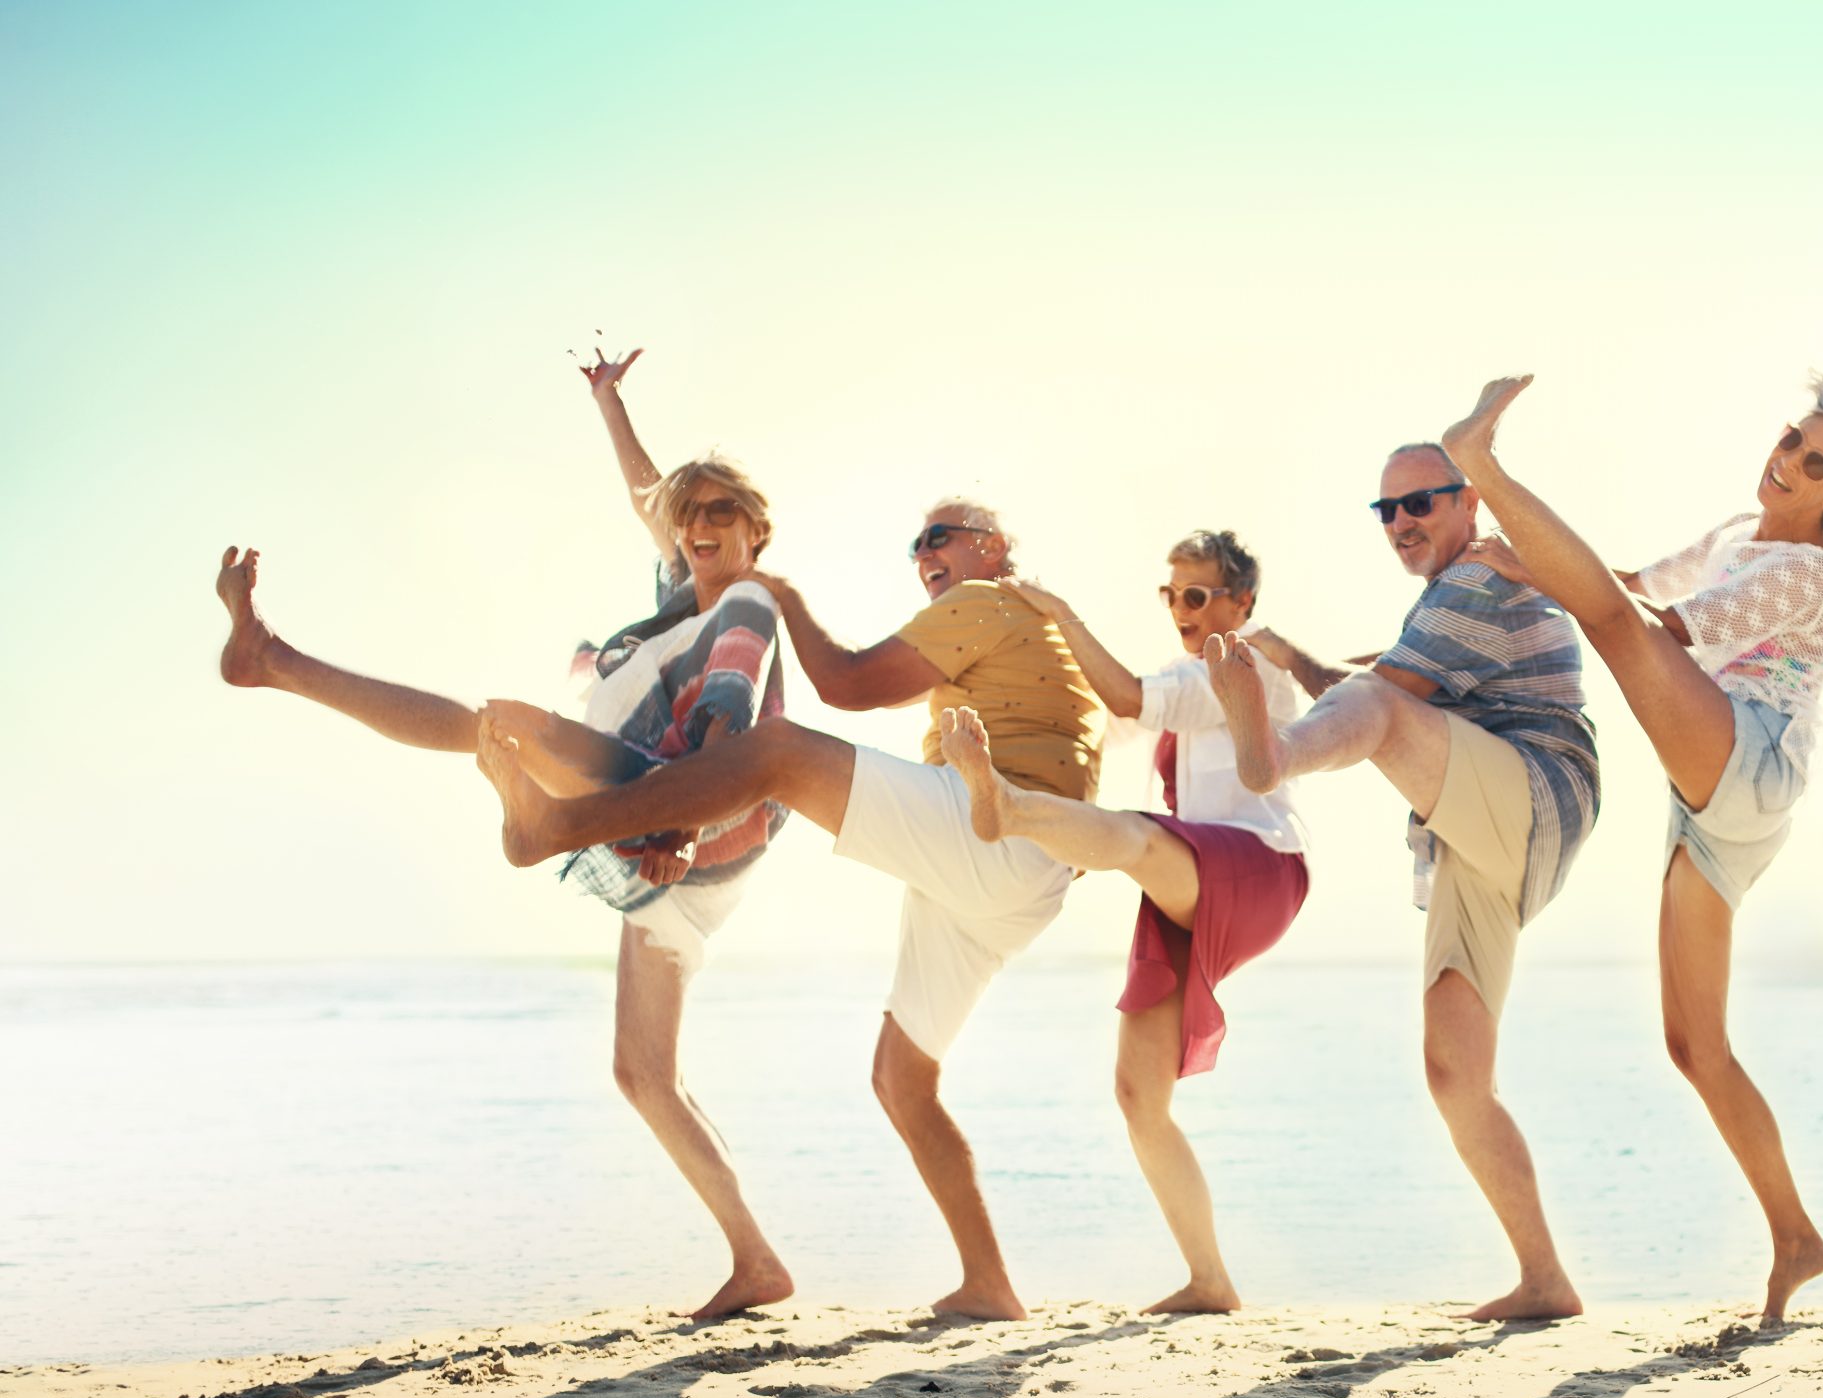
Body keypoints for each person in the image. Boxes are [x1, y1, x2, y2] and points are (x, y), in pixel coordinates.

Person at [211, 348, 795, 1320]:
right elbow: (646, 493)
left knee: (506, 722)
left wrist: (685, 821)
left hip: (683, 812)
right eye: (690, 517)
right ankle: (757, 1260)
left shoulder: (744, 602)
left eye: (720, 515)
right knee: (642, 1074)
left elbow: (729, 720)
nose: (698, 527)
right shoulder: (675, 599)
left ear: (755, 532)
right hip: (671, 850)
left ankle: (276, 662)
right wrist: (611, 402)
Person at [478, 497, 1104, 1322]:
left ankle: (560, 825)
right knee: (902, 1079)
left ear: (990, 546)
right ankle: (990, 1283)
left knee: (777, 754)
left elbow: (844, 684)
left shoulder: (984, 601)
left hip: (994, 831)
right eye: (915, 544)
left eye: (938, 536)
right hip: (1025, 879)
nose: (923, 554)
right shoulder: (1039, 624)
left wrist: (784, 595)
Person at [1440, 370, 1823, 1325]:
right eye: (1788, 439)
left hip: (1750, 759)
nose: (1787, 461)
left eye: (1814, 462)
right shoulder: (1739, 532)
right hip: (1712, 799)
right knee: (1694, 1044)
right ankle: (1797, 1234)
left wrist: (1539, 560)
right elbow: (1639, 583)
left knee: (1613, 632)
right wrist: (1545, 574)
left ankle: (1482, 458)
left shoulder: (1813, 570)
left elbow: (1650, 627)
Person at [1204, 442, 1600, 1320]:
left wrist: (1279, 738)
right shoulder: (1445, 600)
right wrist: (1297, 664)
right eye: (1385, 510)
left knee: (1370, 716)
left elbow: (1378, 706)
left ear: (1467, 504)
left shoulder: (1478, 581)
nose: (1401, 523)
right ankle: (1545, 1279)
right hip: (1480, 830)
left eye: (1420, 502)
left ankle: (1269, 763)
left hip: (1535, 785)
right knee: (1456, 1073)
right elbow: (1382, 694)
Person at [939, 530, 1313, 1314]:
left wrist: (1063, 611)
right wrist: (1002, 643)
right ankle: (1211, 1279)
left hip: (1259, 866)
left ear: (1241, 602)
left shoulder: (1246, 664)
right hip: (1192, 877)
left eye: (1198, 594)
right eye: (1171, 594)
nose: (1182, 609)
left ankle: (1008, 811)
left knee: (1138, 834)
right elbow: (1093, 715)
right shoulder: (1186, 677)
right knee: (1139, 1093)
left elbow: (1124, 696)